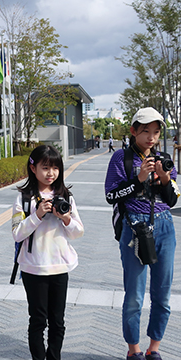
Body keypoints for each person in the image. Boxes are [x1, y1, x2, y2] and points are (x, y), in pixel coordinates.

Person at [105, 107, 178, 360]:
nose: (151, 138)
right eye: (146, 131)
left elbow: (172, 200)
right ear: (134, 131)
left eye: (156, 132)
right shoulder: (121, 158)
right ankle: (133, 349)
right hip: (134, 228)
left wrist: (165, 178)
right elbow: (110, 195)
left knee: (163, 294)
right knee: (134, 295)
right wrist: (139, 178)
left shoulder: (164, 158)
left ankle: (154, 348)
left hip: (165, 227)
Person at [11, 145, 84, 360]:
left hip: (60, 266)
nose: (50, 173)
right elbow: (16, 233)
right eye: (45, 167)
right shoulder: (24, 199)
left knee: (57, 321)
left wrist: (65, 218)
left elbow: (78, 232)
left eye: (55, 168)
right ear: (33, 169)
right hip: (34, 268)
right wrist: (37, 215)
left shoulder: (66, 197)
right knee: (38, 320)